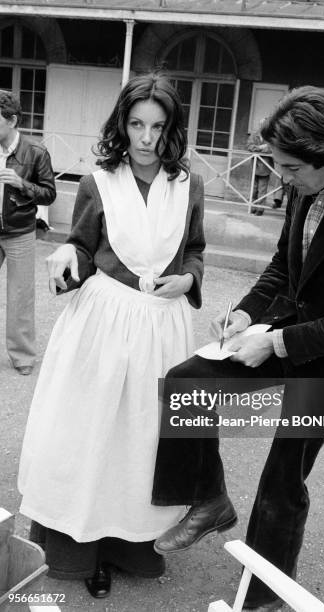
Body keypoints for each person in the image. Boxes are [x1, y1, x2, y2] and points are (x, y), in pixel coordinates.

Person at [150, 87, 324, 611]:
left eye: (289, 167)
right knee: (185, 382)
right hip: (286, 336)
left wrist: (274, 342)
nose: (280, 177)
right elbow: (282, 270)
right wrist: (246, 312)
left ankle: (265, 593)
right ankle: (209, 499)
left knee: (281, 477)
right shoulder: (304, 187)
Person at [17, 73, 205, 598]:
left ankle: (131, 547)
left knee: (142, 444)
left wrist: (189, 278)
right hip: (102, 325)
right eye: (137, 124)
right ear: (123, 124)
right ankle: (81, 551)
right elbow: (81, 245)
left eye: (158, 127)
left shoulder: (189, 185)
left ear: (172, 130)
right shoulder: (98, 181)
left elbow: (195, 249)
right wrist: (64, 255)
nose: (146, 138)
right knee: (89, 438)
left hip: (161, 328)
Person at [0, 90, 56, 375]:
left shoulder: (36, 153)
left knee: (20, 296)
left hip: (19, 231)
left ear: (12, 121)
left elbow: (49, 194)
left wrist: (22, 183)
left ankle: (22, 356)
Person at [247, 123, 283, 215]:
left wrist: (258, 149)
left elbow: (271, 149)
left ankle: (260, 208)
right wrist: (260, 148)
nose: (263, 126)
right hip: (255, 165)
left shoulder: (271, 136)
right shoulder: (254, 135)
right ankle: (252, 207)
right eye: (262, 125)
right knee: (253, 189)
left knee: (262, 189)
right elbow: (249, 147)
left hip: (266, 166)